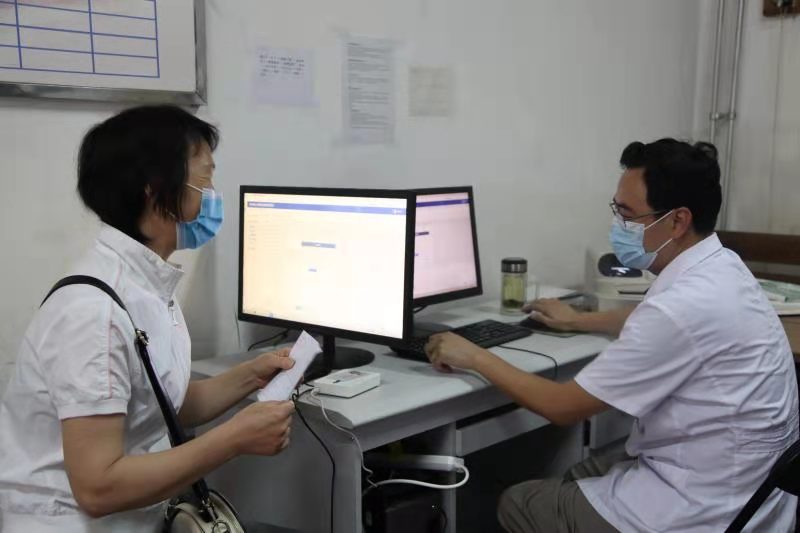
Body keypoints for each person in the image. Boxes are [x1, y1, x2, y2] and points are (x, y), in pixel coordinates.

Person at [426, 139, 799, 532]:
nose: (618, 226)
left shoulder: (681, 306)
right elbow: (663, 320)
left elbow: (562, 407)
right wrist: (578, 320)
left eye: (628, 214)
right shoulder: (722, 267)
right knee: (577, 473)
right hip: (754, 495)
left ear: (677, 221)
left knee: (519, 502)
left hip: (702, 512)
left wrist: (475, 356)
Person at [0, 106, 295, 532]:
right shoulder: (93, 314)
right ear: (156, 191)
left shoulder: (144, 286)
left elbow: (163, 402)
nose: (212, 196)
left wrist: (252, 374)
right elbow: (98, 488)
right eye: (205, 179)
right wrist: (233, 439)